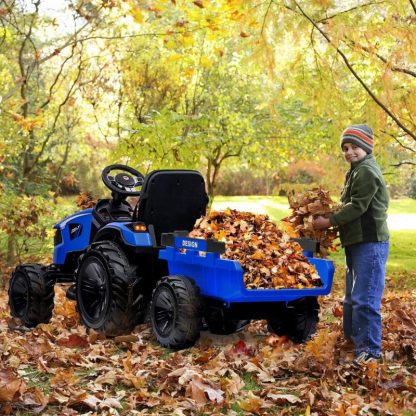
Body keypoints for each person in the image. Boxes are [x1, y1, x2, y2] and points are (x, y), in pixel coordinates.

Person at [313, 124, 389, 366]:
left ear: (366, 147)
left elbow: (358, 206)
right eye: (345, 148)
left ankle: (369, 352)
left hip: (370, 243)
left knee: (365, 298)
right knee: (351, 298)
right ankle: (352, 341)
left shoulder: (367, 171)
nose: (349, 152)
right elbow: (347, 204)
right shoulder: (356, 170)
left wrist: (329, 221)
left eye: (354, 146)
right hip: (356, 243)